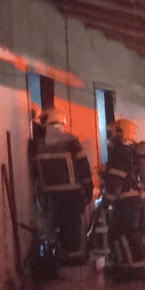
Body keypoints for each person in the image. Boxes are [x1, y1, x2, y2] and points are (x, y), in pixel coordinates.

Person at [32, 108, 92, 266]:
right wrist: (88, 188)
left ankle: (59, 258)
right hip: (71, 194)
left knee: (53, 227)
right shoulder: (71, 141)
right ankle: (75, 258)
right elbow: (83, 165)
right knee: (72, 227)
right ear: (61, 122)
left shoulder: (37, 144)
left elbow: (35, 171)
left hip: (49, 196)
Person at [102, 119, 145, 280]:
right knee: (126, 234)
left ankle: (133, 270)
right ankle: (131, 267)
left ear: (121, 132)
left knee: (125, 234)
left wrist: (106, 201)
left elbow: (117, 180)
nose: (110, 136)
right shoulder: (129, 151)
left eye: (112, 132)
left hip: (126, 201)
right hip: (131, 200)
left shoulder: (121, 152)